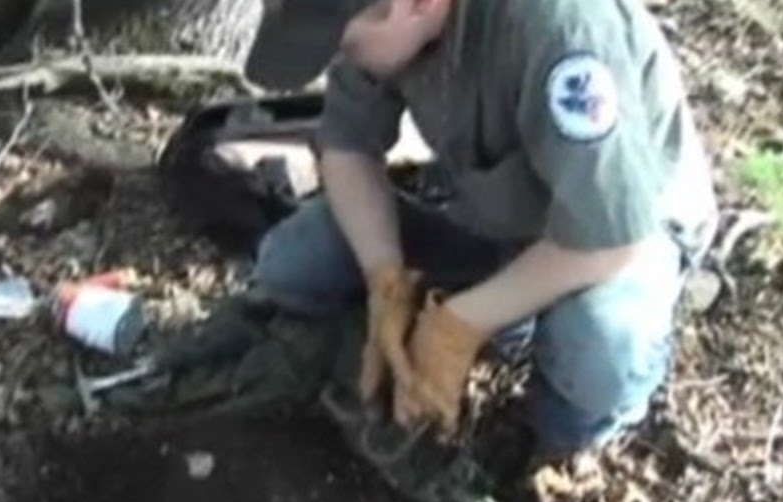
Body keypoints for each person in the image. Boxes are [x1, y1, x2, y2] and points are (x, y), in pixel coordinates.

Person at [242, 0, 719, 462]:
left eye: (347, 48)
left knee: (602, 350)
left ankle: (552, 440)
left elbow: (612, 237)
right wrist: (384, 278)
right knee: (298, 259)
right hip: (498, 213)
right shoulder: (382, 18)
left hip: (623, 234)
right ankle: (491, 322)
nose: (343, 61)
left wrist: (457, 326)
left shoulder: (566, 34)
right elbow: (347, 146)